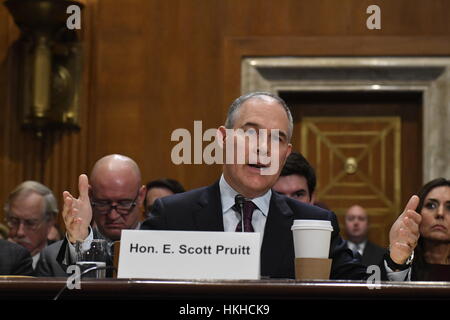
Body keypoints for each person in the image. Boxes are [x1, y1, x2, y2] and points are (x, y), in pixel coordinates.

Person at [141, 92, 368, 279]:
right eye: (251, 132)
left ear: (286, 154)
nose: (262, 148)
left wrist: (396, 260)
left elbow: (363, 287)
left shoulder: (314, 222)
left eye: (276, 138)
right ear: (223, 138)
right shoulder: (171, 215)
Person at [35, 154, 146, 277]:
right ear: (90, 196)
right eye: (103, 203)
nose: (113, 215)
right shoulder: (52, 258)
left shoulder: (165, 251)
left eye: (124, 203)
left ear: (141, 196)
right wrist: (80, 244)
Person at [384, 178, 450, 281]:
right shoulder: (396, 261)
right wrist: (396, 260)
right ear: (417, 213)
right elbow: (374, 290)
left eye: (449, 207)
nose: (440, 213)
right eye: (431, 205)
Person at [3, 181, 58, 269]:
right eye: (14, 221)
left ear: (50, 221)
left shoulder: (61, 262)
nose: (20, 232)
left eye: (30, 223)